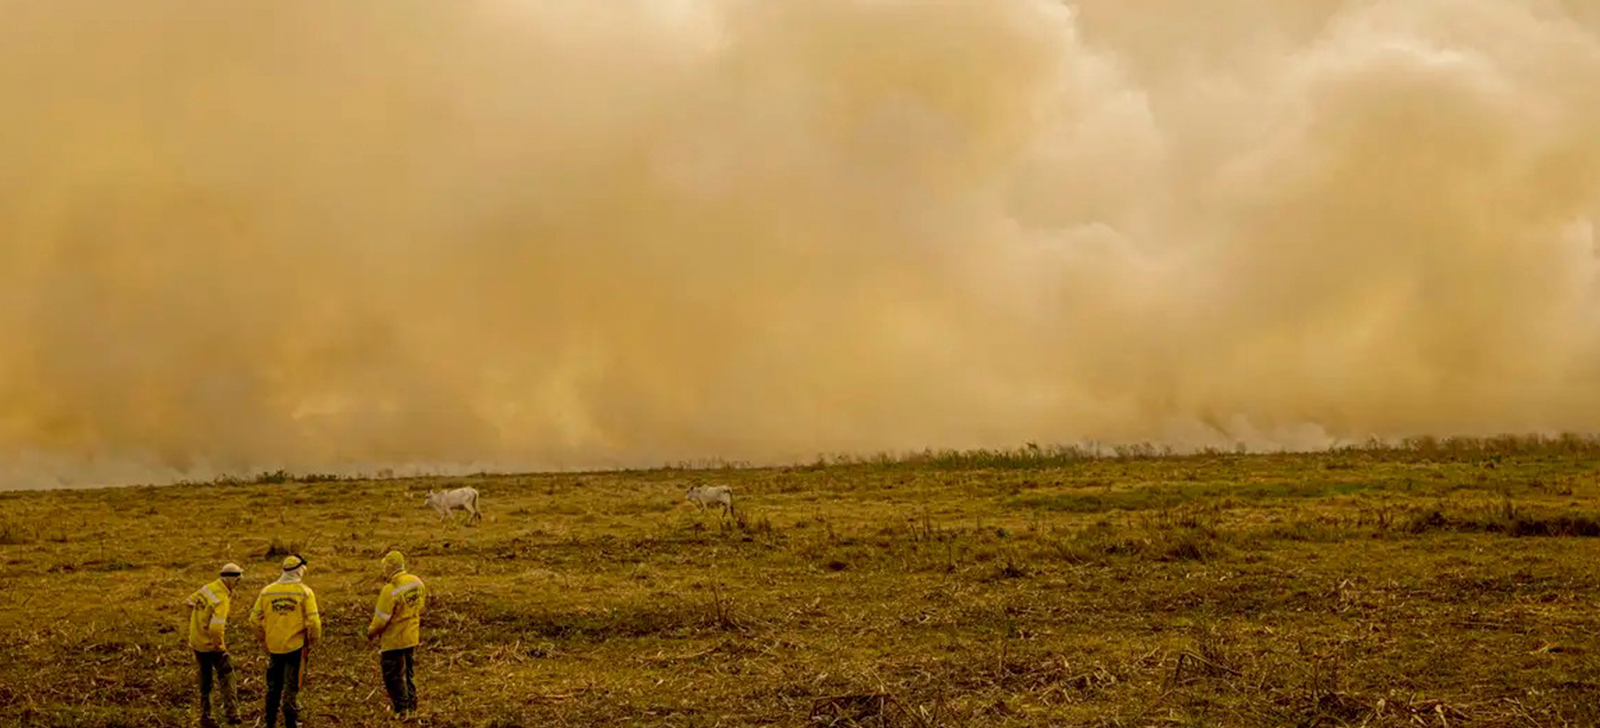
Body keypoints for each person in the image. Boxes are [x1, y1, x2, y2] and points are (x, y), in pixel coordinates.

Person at [249, 554, 322, 728]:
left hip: (274, 647)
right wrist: (312, 641)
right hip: (296, 648)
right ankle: (291, 723)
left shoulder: (267, 591)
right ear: (299, 571)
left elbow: (253, 619)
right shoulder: (305, 592)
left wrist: (264, 640)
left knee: (273, 687)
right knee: (291, 687)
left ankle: (270, 722)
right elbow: (314, 622)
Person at [367, 550, 426, 719]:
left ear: (389, 567)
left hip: (394, 640)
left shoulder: (390, 589)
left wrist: (371, 632)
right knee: (408, 674)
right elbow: (420, 607)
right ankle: (412, 707)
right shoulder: (417, 582)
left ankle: (401, 711)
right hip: (412, 637)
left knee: (393, 677)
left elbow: (381, 620)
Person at [185, 563, 244, 726]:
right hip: (211, 645)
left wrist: (197, 623)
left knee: (205, 680)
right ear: (231, 579)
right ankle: (232, 714)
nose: (239, 583)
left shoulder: (208, 588)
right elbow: (216, 628)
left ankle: (205, 716)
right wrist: (220, 647)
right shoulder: (222, 598)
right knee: (227, 676)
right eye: (238, 580)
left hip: (196, 643)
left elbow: (189, 602)